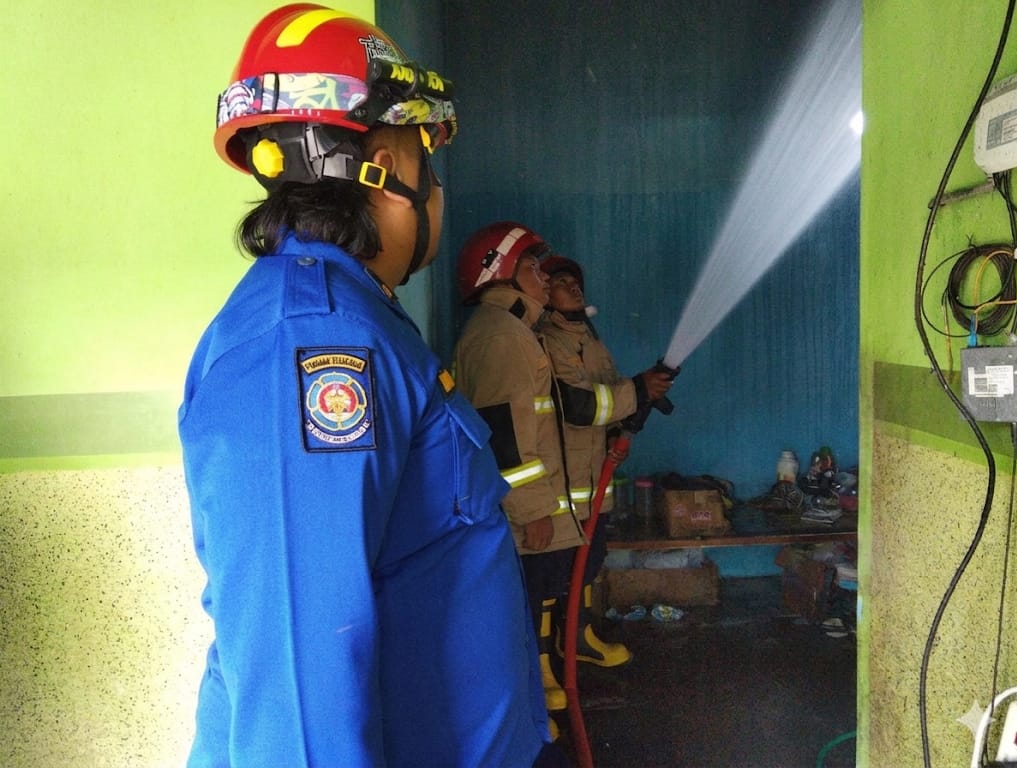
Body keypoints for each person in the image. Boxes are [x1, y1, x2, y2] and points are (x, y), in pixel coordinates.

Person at [179, 7, 556, 767]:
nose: (436, 190)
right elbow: (302, 686)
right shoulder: (310, 346)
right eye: (427, 160)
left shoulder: (356, 319)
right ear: (380, 161)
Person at [453, 222, 587, 719]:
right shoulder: (502, 336)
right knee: (520, 619)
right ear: (499, 273)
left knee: (528, 615)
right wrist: (533, 511)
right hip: (516, 518)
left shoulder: (514, 331)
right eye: (531, 267)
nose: (544, 278)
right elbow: (503, 437)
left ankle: (529, 716)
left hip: (520, 512)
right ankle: (526, 723)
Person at [537, 255, 674, 667]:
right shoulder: (548, 340)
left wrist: (639, 397)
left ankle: (578, 638)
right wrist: (637, 389)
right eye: (560, 281)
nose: (573, 287)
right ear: (545, 293)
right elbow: (577, 405)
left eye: (575, 281)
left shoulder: (588, 339)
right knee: (551, 571)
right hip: (562, 479)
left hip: (593, 475)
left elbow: (609, 398)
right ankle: (542, 663)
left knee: (589, 562)